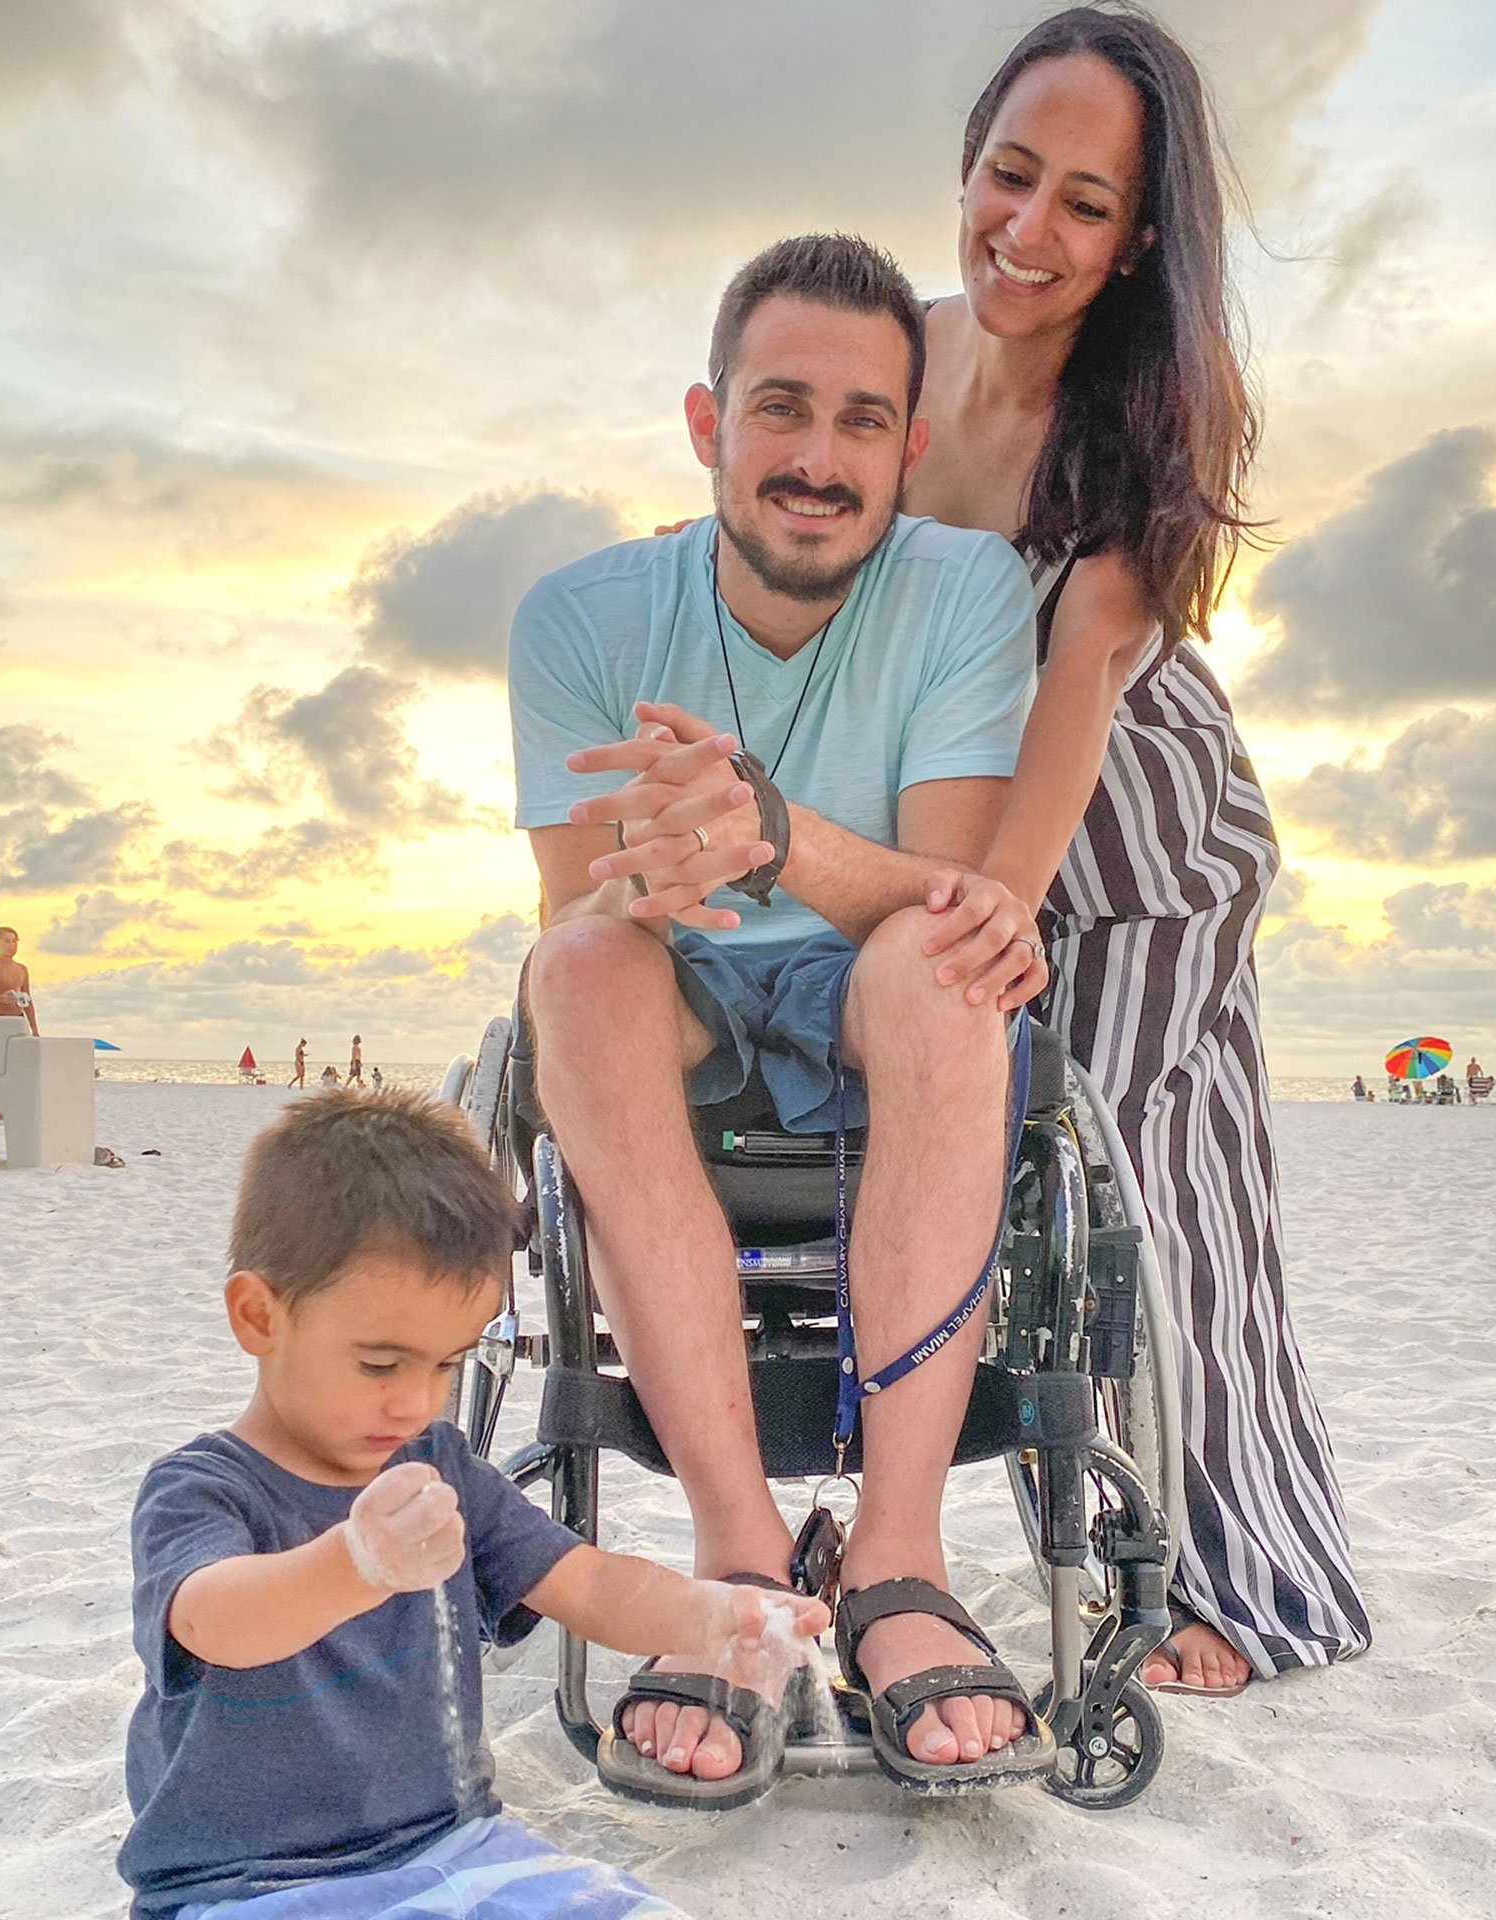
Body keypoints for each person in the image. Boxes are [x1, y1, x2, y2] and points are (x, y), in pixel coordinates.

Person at [512, 234, 1051, 1796]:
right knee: (580, 971)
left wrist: (766, 827)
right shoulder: (583, 616)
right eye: (781, 411)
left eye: (863, 421)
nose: (819, 460)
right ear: (708, 424)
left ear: (911, 445)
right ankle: (740, 1555)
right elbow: (582, 899)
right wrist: (674, 860)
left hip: (877, 963)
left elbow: (945, 894)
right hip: (679, 977)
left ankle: (894, 1560)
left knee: (945, 962)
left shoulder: (963, 589)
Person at [898, 10, 1369, 1694]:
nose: (1028, 230)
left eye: (1083, 204)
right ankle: (1081, 1546)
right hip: (969, 822)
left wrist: (996, 913)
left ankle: (1237, 1582)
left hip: (1142, 839)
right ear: (967, 162)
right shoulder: (902, 350)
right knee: (1021, 1217)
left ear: (1140, 236)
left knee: (1154, 1201)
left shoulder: (1165, 397)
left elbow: (1085, 670)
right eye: (1008, 176)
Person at [118, 1088, 824, 1919]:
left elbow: (586, 1584)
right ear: (259, 1315)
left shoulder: (439, 1468)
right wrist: (357, 1563)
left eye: (447, 1365)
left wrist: (712, 1619)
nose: (417, 1402)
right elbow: (216, 1624)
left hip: (456, 1846)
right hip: (250, 1883)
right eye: (382, 1365)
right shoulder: (202, 1489)